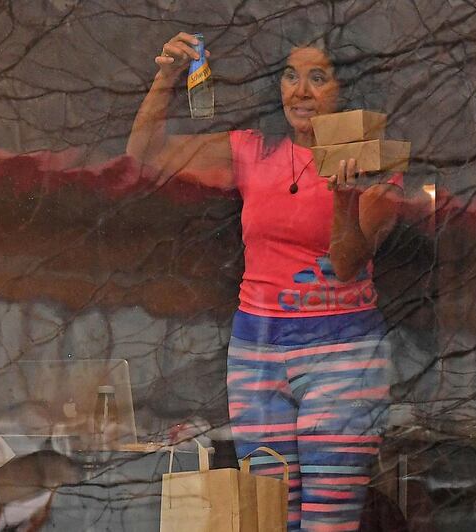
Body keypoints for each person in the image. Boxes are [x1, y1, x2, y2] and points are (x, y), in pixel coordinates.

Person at [127, 29, 402, 532]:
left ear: (347, 89)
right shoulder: (255, 150)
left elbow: (346, 263)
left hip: (341, 353)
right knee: (269, 518)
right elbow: (146, 152)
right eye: (290, 76)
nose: (300, 91)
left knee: (327, 523)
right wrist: (166, 75)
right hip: (257, 349)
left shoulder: (373, 160)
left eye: (318, 78)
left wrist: (342, 197)